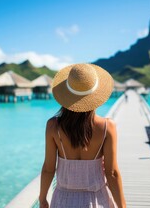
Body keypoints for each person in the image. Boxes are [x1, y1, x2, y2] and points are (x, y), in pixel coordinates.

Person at [39, 63, 126, 208]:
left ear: (66, 95)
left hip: (62, 200)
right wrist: (122, 206)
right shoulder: (107, 127)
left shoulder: (53, 126)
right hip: (97, 200)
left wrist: (42, 199)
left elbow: (48, 169)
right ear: (96, 95)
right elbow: (112, 173)